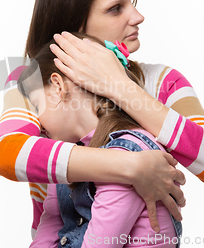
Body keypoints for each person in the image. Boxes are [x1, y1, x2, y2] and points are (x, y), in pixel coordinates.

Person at [0, 0, 204, 235]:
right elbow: (8, 154)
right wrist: (132, 166)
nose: (137, 16)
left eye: (131, 2)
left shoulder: (164, 81)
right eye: (115, 8)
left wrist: (118, 85)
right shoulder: (35, 83)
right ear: (75, 28)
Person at [18, 33, 182, 248]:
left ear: (58, 86)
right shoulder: (69, 155)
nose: (37, 124)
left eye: (37, 106)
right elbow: (49, 227)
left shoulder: (130, 152)